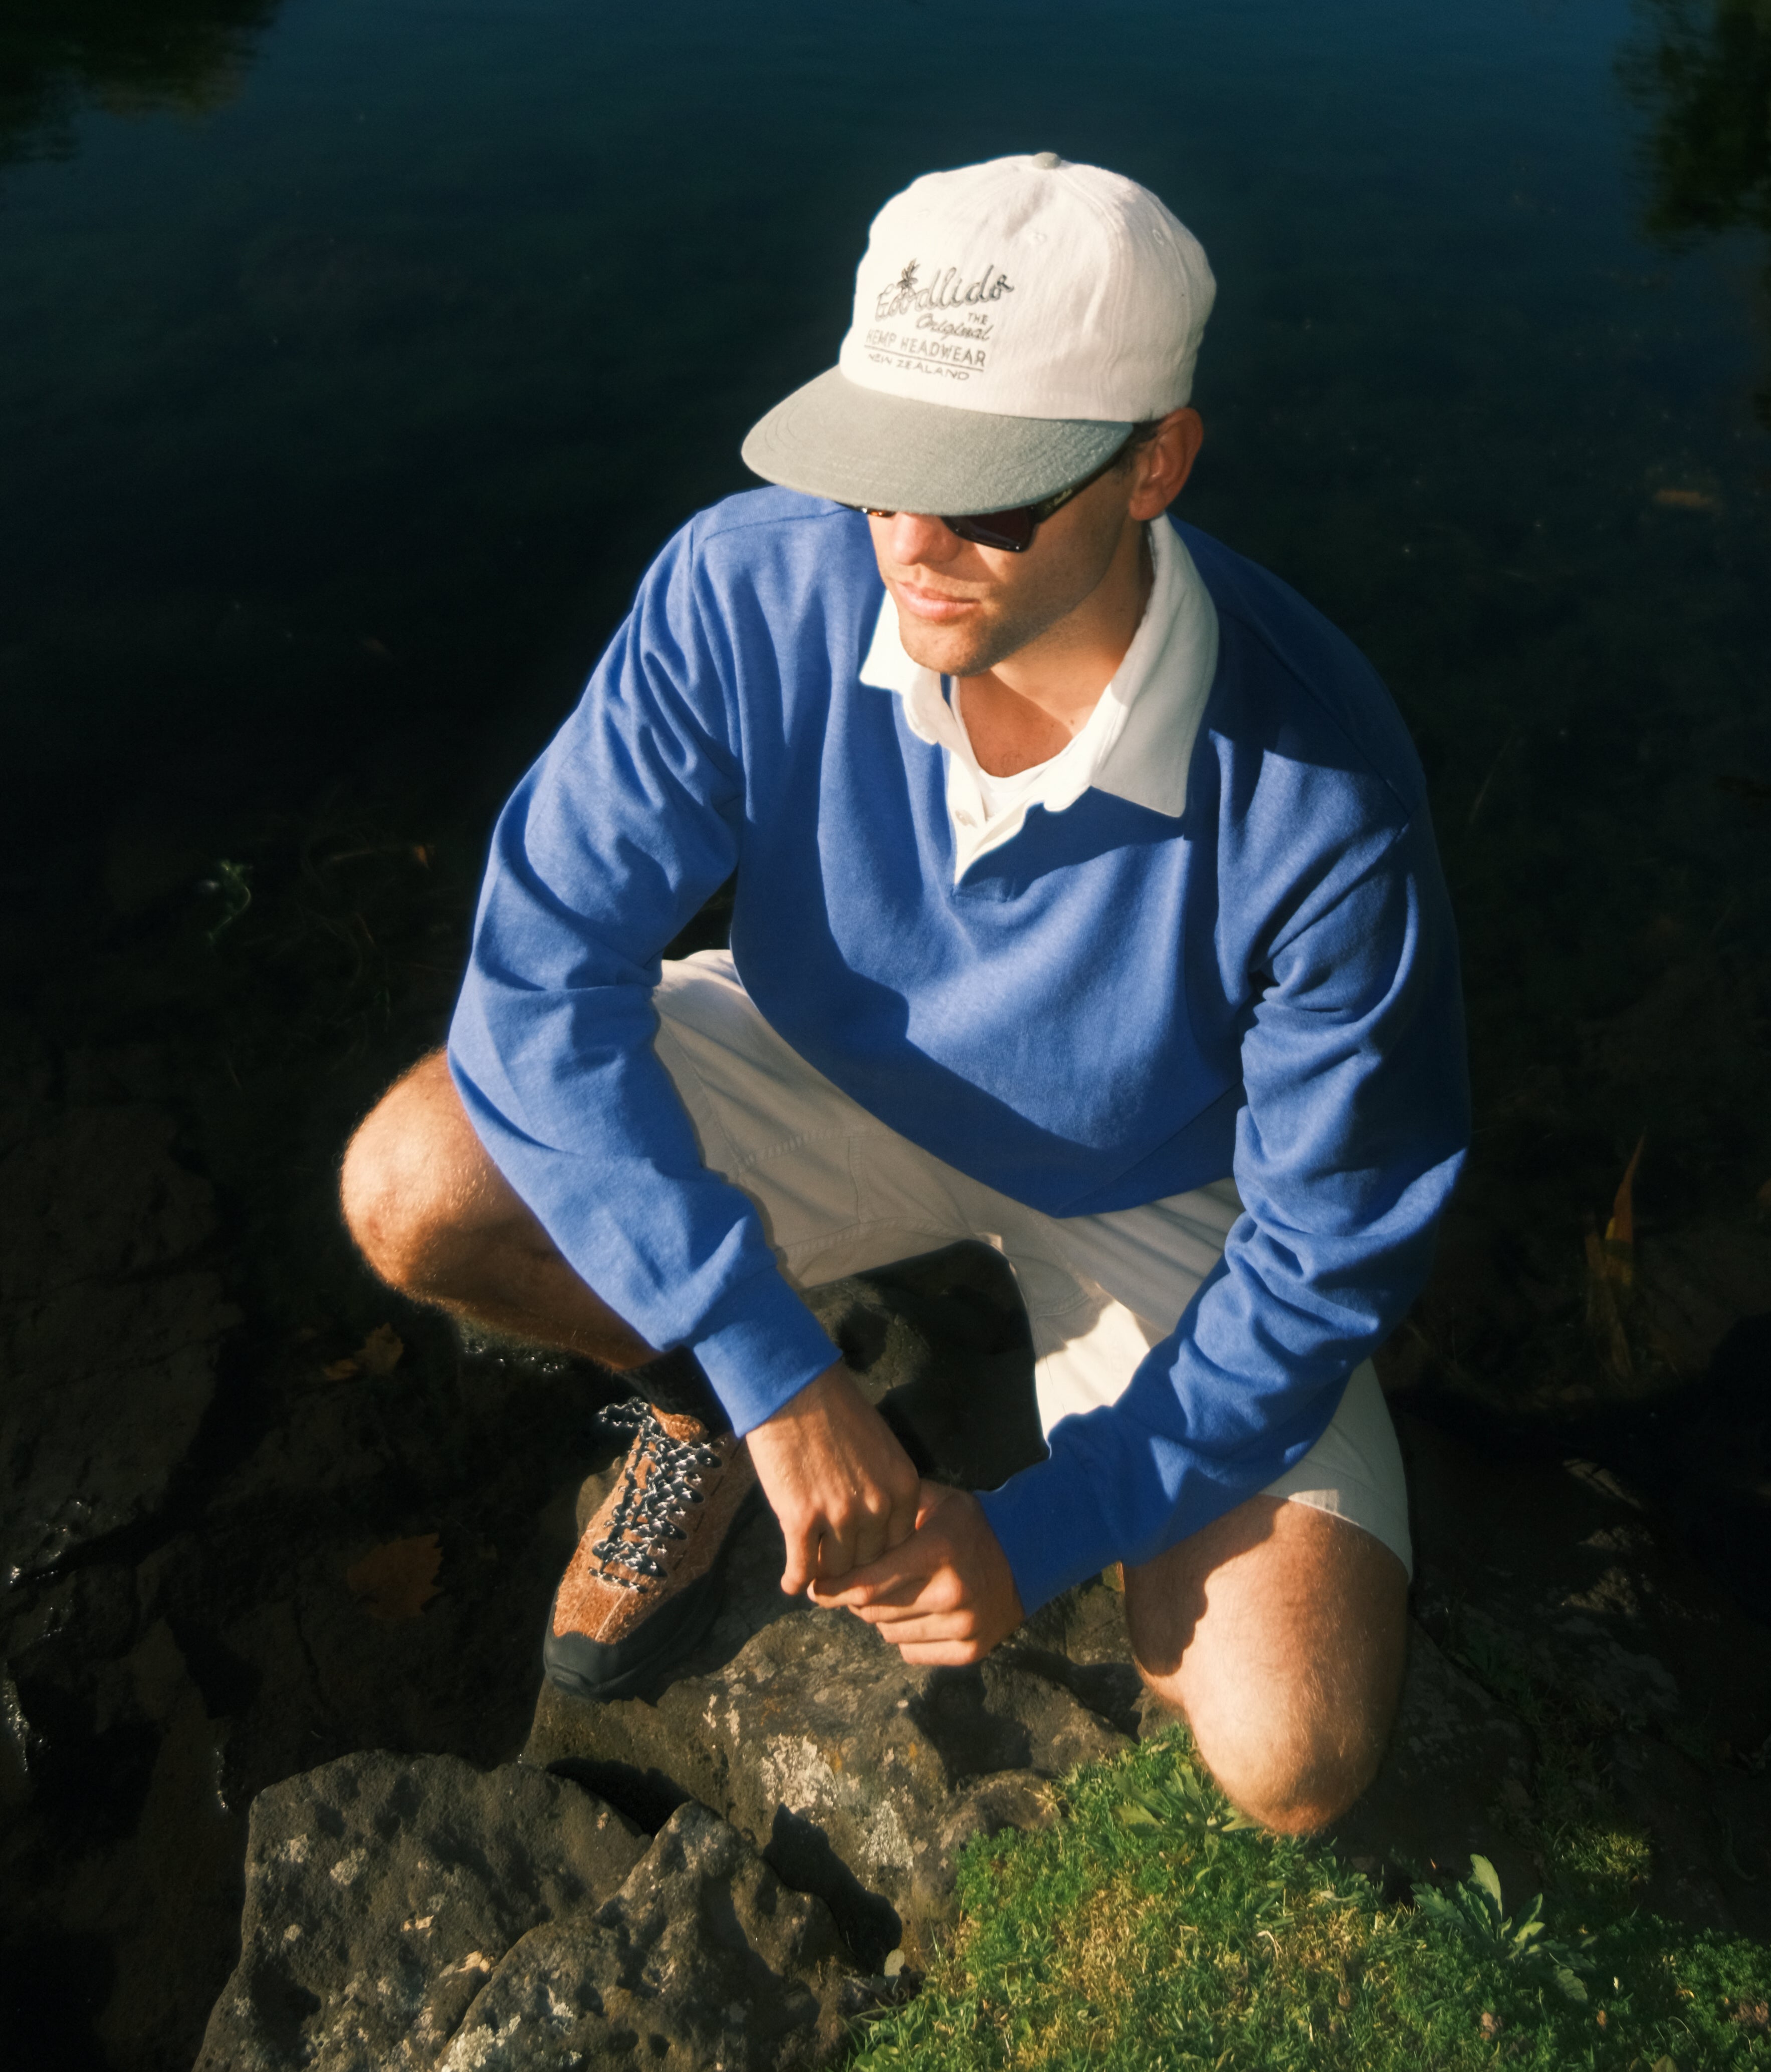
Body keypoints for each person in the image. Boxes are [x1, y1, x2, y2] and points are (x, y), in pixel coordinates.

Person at [341, 151, 1468, 1836]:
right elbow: (534, 973)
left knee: (1288, 1749)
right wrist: (767, 1363)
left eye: (990, 493)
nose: (912, 546)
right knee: (414, 1187)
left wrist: (1044, 1527)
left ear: (1153, 460)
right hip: (823, 1062)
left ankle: (965, 1390)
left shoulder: (1319, 788)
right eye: (880, 472)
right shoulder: (748, 584)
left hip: (1162, 1184)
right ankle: (696, 1413)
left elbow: (1324, 1251)